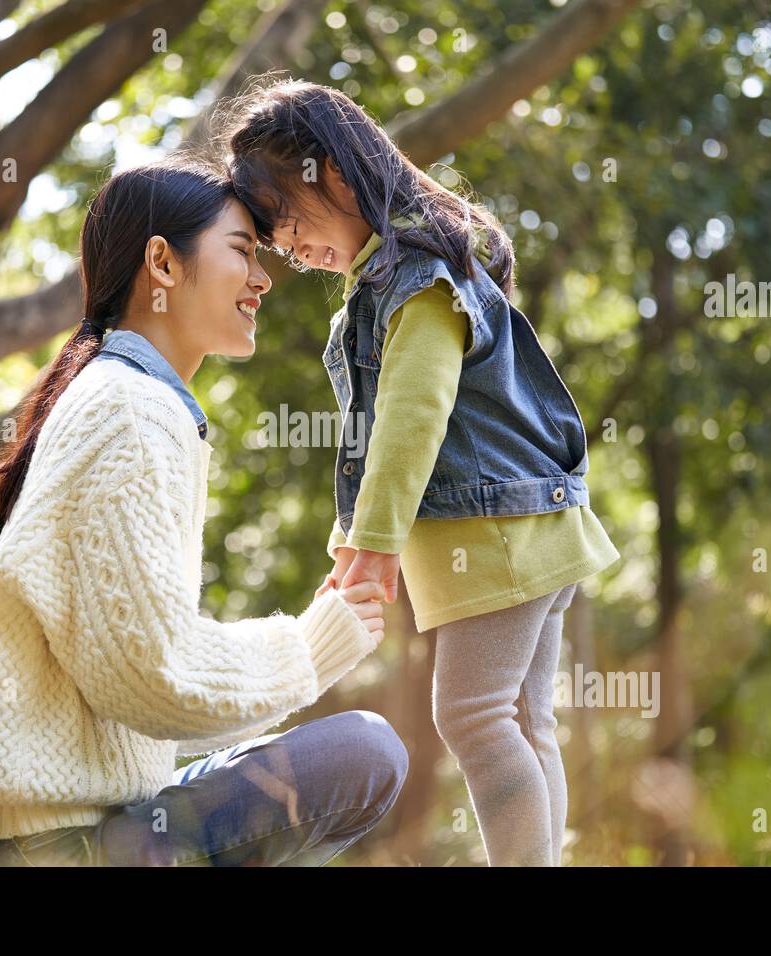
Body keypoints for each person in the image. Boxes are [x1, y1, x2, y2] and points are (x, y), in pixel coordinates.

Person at [0, 160, 408, 866]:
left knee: (352, 753)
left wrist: (315, 645)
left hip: (44, 830)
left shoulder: (123, 398)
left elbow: (138, 696)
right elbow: (155, 678)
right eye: (241, 251)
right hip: (33, 847)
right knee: (364, 752)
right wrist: (315, 642)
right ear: (162, 263)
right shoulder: (131, 411)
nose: (262, 280)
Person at [220, 78, 621, 866]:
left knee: (472, 720)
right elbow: (377, 441)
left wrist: (370, 544)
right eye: (276, 242)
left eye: (289, 223)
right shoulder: (396, 276)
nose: (292, 249)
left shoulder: (417, 277)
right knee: (521, 722)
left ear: (332, 173)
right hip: (533, 529)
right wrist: (350, 539)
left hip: (499, 537)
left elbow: (412, 420)